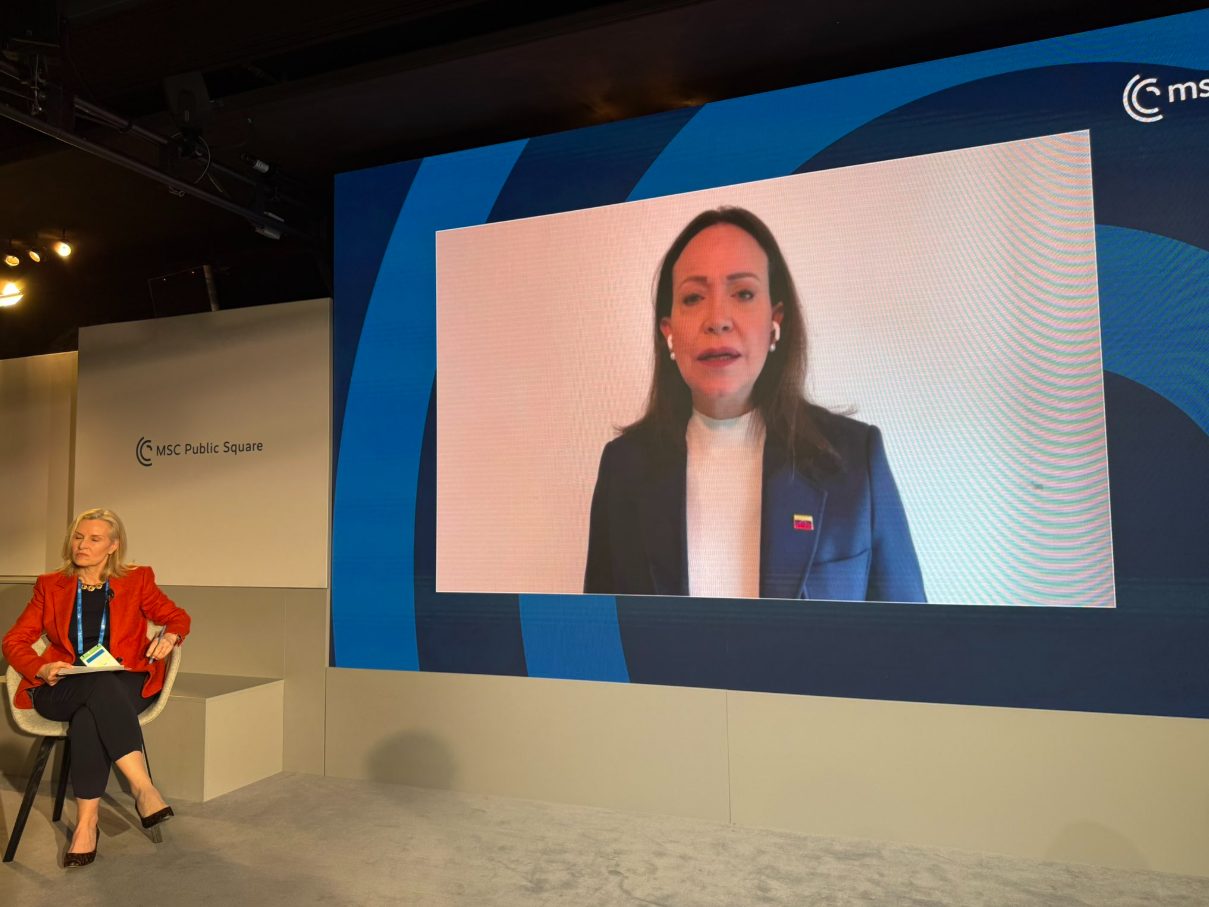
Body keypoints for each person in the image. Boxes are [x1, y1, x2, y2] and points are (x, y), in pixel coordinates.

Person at [584, 206, 926, 602]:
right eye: (693, 297)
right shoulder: (624, 469)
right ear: (668, 331)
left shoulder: (853, 461)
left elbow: (909, 634)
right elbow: (598, 632)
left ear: (775, 321)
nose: (718, 319)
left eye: (743, 293)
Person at [3, 508, 190, 868]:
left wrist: (170, 637)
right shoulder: (50, 585)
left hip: (123, 681)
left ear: (113, 546)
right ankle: (143, 788)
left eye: (94, 539)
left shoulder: (137, 580)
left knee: (92, 710)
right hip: (64, 684)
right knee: (96, 687)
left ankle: (86, 825)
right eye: (78, 537)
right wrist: (40, 667)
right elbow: (14, 640)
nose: (82, 545)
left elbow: (177, 617)